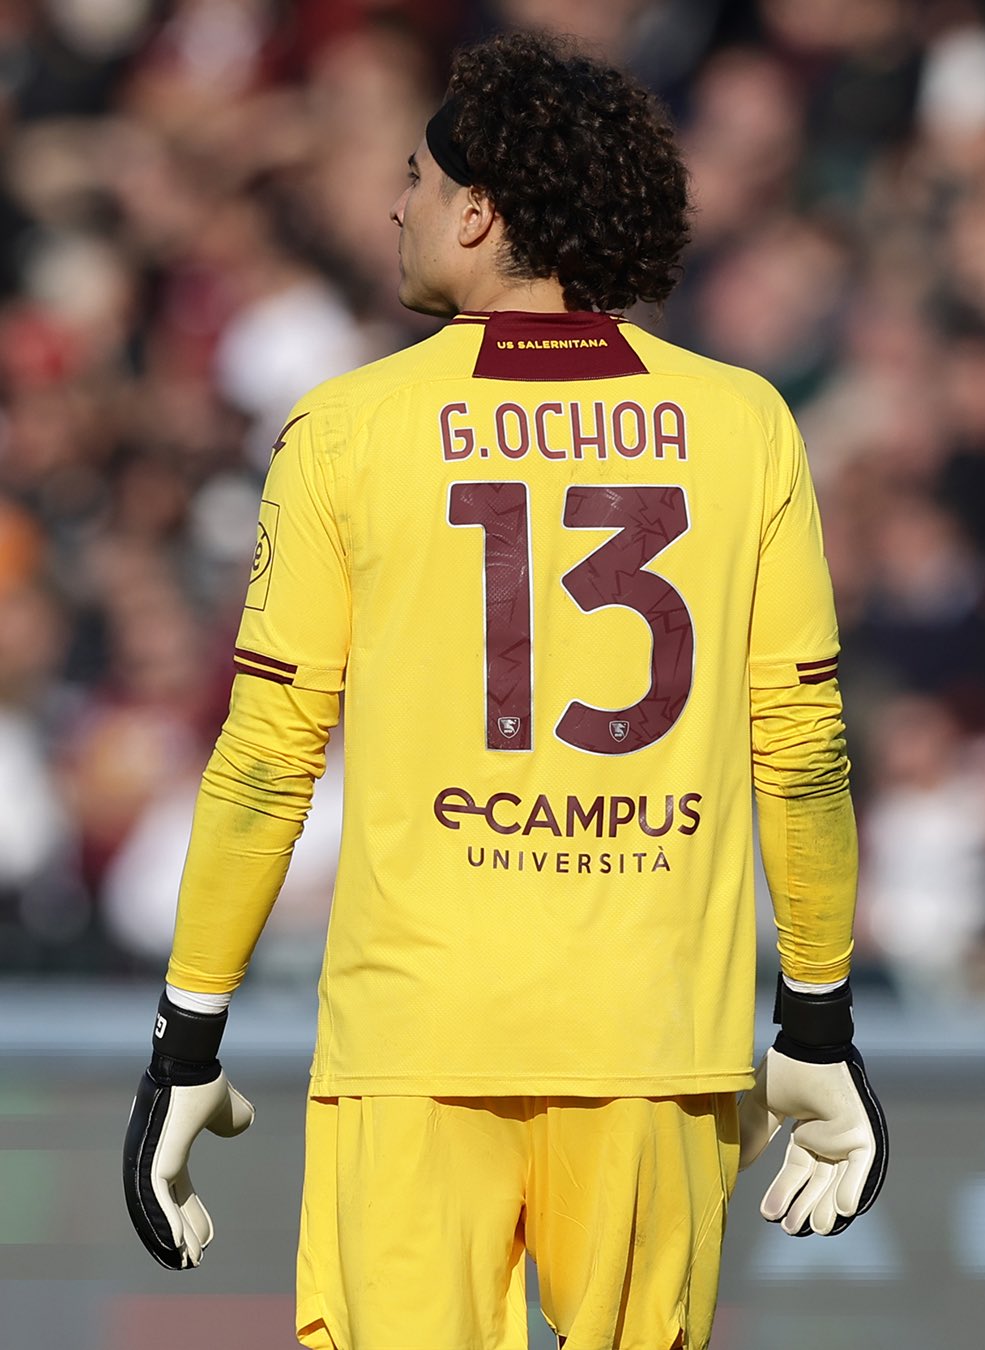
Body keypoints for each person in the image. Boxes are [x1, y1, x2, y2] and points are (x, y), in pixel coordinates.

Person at [122, 30, 887, 1350]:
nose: (396, 206)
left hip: (416, 1035)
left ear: (478, 213)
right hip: (655, 1034)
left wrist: (188, 1034)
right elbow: (804, 751)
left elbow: (265, 760)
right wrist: (817, 1017)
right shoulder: (746, 423)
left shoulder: (344, 428)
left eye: (417, 180)